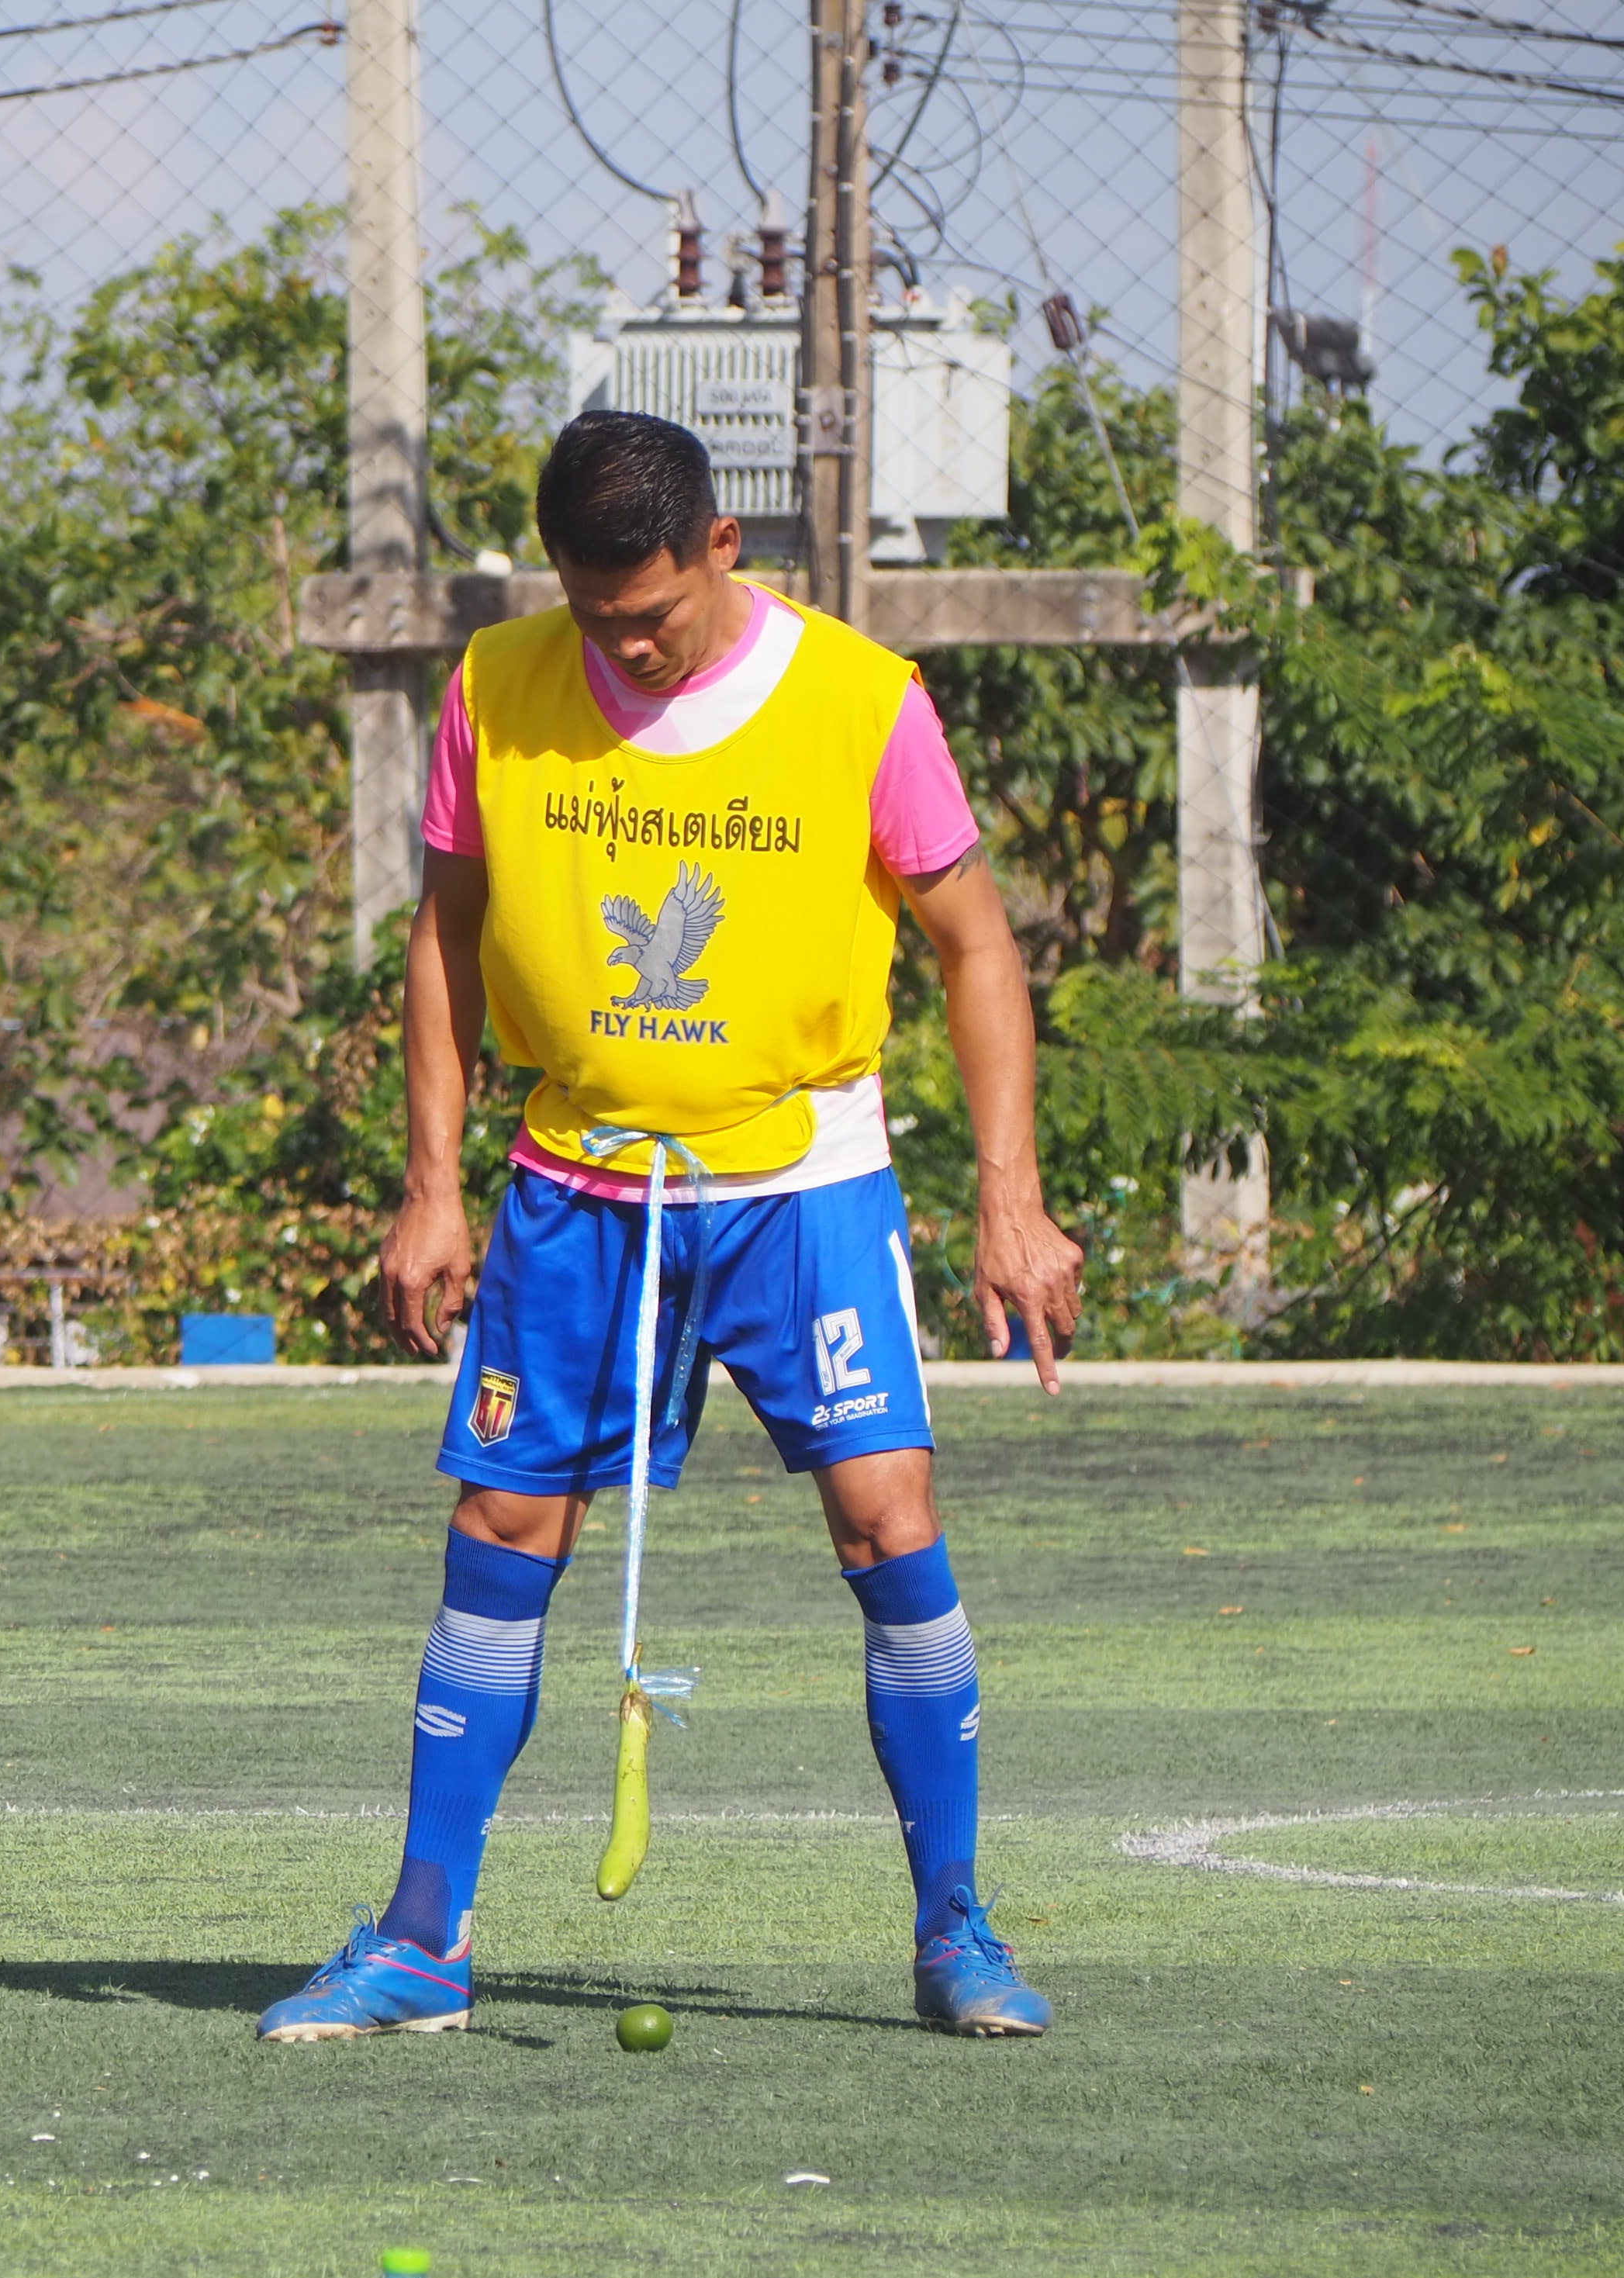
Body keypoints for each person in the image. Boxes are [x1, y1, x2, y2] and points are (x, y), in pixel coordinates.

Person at [259, 411, 1085, 2047]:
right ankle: (422, 1941)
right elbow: (447, 934)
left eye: (650, 613)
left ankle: (956, 1929)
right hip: (574, 1190)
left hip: (802, 1187)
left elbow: (976, 949)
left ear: (723, 548)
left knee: (883, 1522)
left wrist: (1014, 1198)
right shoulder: (497, 688)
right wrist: (432, 1185)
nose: (624, 646)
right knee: (503, 1536)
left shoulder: (862, 700)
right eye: (593, 614)